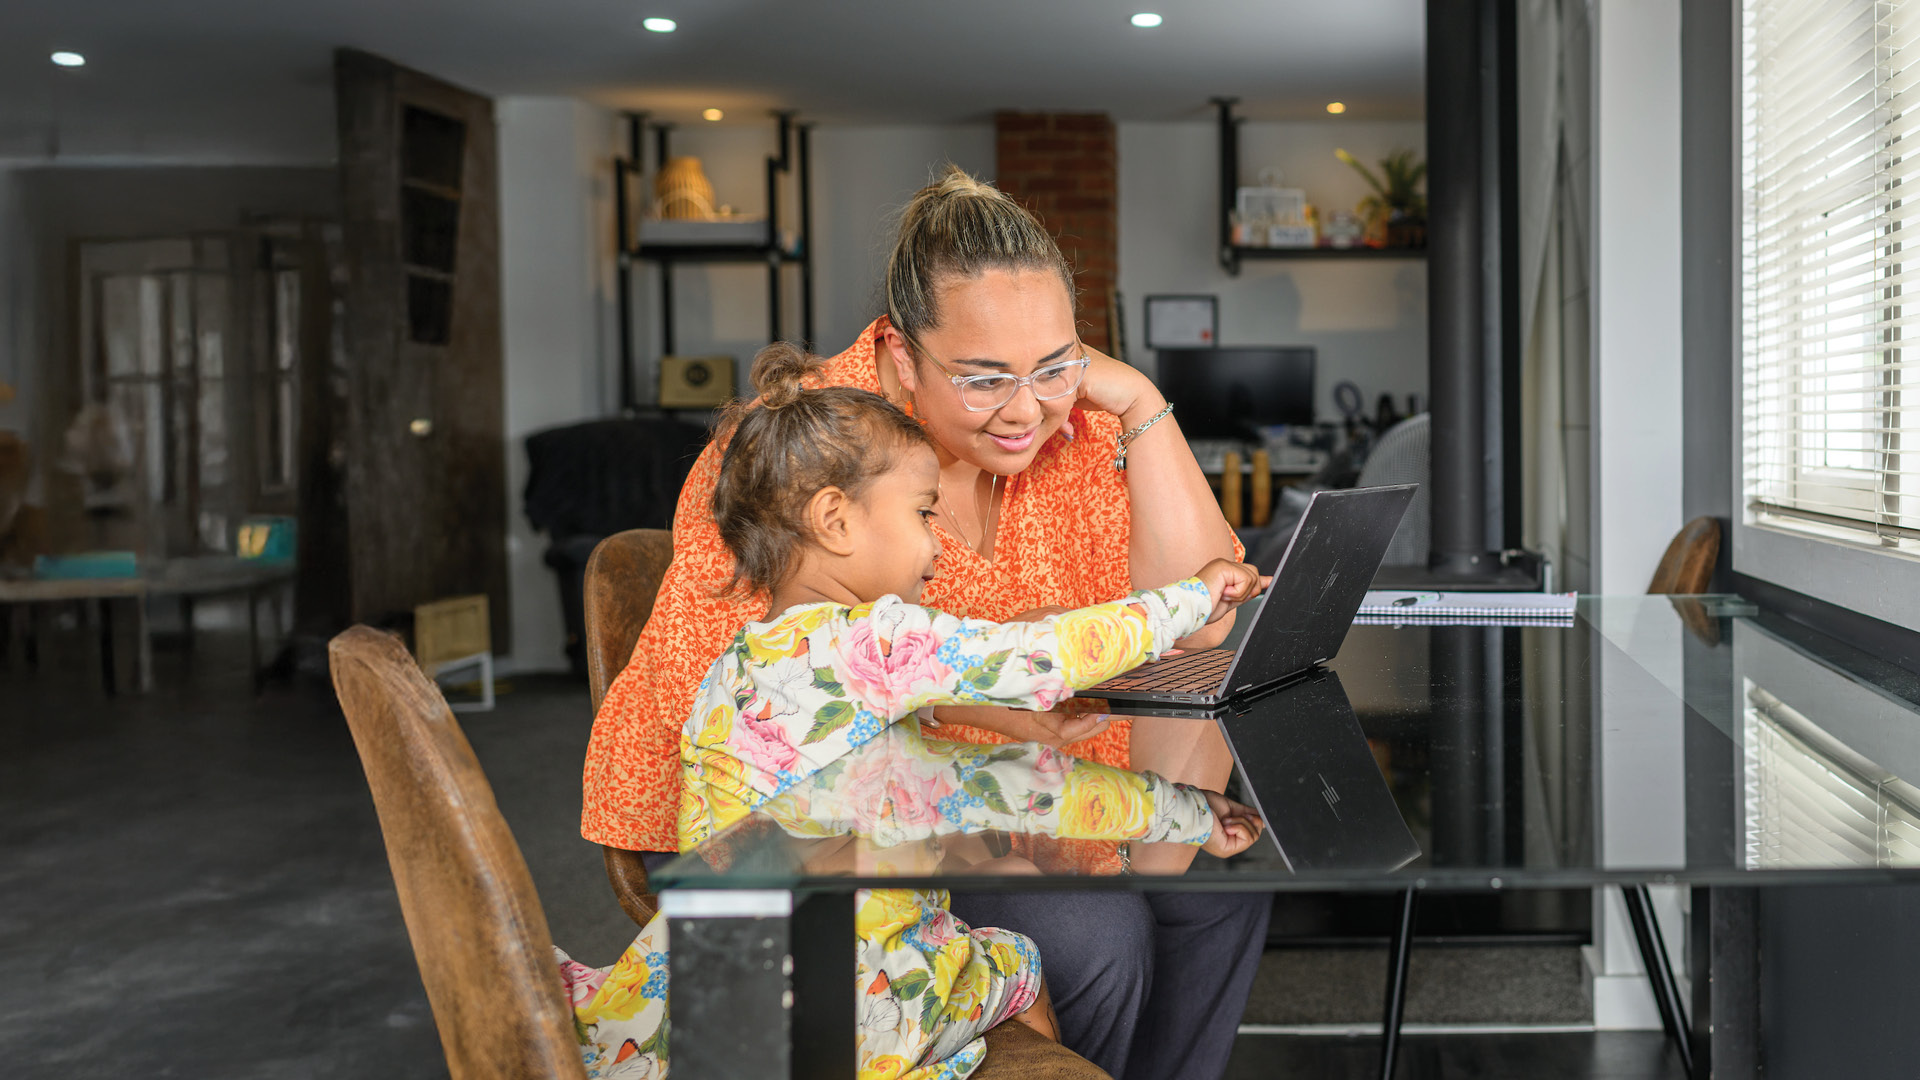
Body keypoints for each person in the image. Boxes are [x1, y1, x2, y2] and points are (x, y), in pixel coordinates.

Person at [584, 165, 1272, 1078]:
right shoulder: (800, 459)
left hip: (950, 814)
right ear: (904, 359)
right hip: (819, 880)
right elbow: (795, 730)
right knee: (1099, 932)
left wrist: (1134, 397)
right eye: (986, 377)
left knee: (1226, 897)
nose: (1029, 406)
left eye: (1056, 365)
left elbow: (979, 749)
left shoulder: (1060, 420)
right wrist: (1183, 605)